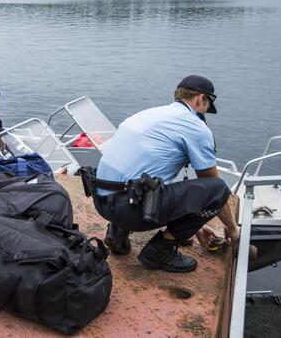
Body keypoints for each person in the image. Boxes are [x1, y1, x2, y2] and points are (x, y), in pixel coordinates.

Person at [86, 75, 239, 273]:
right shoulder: (195, 127)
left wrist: (196, 226)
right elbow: (213, 186)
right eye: (206, 108)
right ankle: (159, 252)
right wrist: (233, 229)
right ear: (201, 98)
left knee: (141, 177)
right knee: (218, 189)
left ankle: (117, 233)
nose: (205, 115)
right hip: (130, 211)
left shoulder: (149, 114)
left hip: (102, 202)